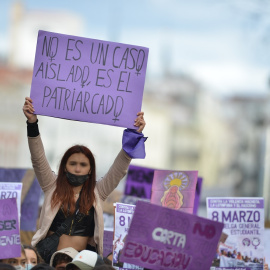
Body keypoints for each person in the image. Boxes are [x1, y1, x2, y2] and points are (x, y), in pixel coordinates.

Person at [22, 97, 147, 263]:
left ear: (90, 169)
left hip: (81, 264)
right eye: (73, 163)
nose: (77, 168)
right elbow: (38, 158)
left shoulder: (98, 192)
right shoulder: (51, 185)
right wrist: (32, 123)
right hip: (48, 260)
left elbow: (119, 169)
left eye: (83, 164)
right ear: (65, 166)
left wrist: (134, 134)